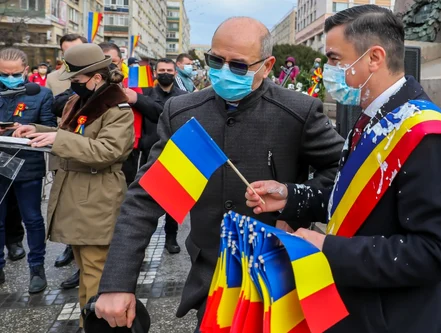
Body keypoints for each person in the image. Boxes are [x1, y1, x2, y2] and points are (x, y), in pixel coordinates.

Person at [94, 16, 344, 331]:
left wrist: (293, 202)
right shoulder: (184, 113)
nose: (224, 72)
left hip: (277, 270)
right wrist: (117, 281)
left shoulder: (298, 111)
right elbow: (145, 198)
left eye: (239, 66)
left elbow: (340, 170)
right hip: (211, 273)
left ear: (266, 66)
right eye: (216, 60)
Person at [245, 6, 441, 333]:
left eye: (335, 59)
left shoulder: (426, 136)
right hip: (363, 308)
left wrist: (329, 248)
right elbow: (356, 198)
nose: (328, 70)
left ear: (374, 58)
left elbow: (440, 252)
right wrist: (290, 197)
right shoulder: (371, 117)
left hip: (402, 318)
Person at [14, 43, 134, 331]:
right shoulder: (79, 102)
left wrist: (57, 140)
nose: (73, 87)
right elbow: (68, 134)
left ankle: (96, 326)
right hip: (78, 195)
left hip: (97, 197)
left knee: (96, 274)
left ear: (96, 77)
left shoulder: (117, 108)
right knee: (86, 270)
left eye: (77, 81)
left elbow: (108, 151)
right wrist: (39, 132)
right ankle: (87, 322)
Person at [0, 48, 56, 293]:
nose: (9, 77)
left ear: (25, 70)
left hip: (28, 164)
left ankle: (37, 269)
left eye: (14, 73)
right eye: (4, 73)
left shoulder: (41, 93)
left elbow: (50, 129)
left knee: (33, 219)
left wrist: (27, 128)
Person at [122, 58, 187, 254]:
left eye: (169, 70)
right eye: (161, 70)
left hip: (175, 152)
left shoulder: (183, 96)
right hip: (149, 152)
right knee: (144, 199)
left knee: (173, 200)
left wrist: (138, 99)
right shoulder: (146, 93)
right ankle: (141, 240)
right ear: (155, 73)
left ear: (175, 73)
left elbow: (161, 113)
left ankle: (171, 236)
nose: (165, 73)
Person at [47, 33, 88, 291]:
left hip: (86, 158)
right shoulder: (53, 78)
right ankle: (71, 251)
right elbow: (53, 109)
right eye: (66, 51)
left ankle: (87, 267)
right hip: (65, 151)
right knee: (67, 211)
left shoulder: (101, 84)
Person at [100, 43, 142, 187]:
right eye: (103, 62)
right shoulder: (88, 83)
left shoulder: (132, 81)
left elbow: (143, 108)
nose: (109, 67)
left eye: (112, 62)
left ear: (121, 61)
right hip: (96, 147)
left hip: (127, 147)